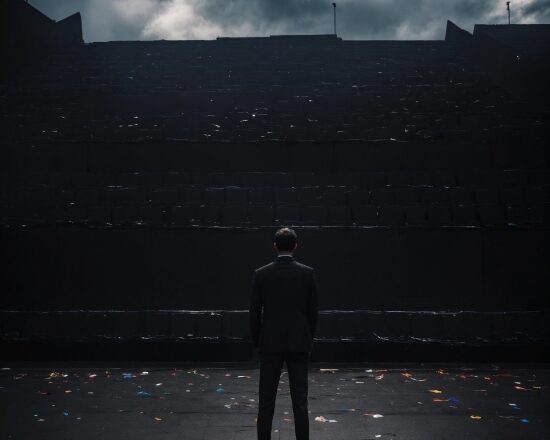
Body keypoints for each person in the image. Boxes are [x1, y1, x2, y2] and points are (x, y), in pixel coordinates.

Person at [249, 227, 318, 440]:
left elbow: (254, 314)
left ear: (275, 246)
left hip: (270, 343)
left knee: (266, 400)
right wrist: (308, 337)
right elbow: (312, 312)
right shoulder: (307, 273)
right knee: (300, 400)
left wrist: (258, 341)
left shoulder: (261, 274)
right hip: (299, 342)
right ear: (295, 246)